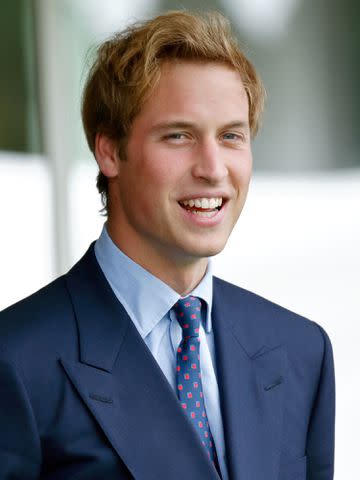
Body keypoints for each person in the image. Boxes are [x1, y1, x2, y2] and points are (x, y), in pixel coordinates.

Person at [0, 10, 335, 480]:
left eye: (231, 136)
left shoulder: (302, 351)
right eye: (179, 136)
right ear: (110, 151)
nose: (213, 168)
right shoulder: (15, 361)